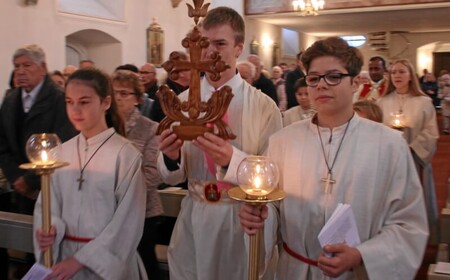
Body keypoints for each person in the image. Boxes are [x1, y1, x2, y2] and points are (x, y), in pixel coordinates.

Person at [239, 37, 428, 280]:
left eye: (333, 77)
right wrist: (259, 214)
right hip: (295, 270)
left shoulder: (389, 145)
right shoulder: (282, 141)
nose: (321, 85)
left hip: (356, 273)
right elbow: (272, 206)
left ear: (355, 83)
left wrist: (362, 255)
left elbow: (408, 225)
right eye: (314, 78)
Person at [157, 6, 282, 280]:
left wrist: (231, 160)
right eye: (205, 43)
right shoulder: (181, 103)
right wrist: (170, 156)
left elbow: (274, 175)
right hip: (195, 216)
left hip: (240, 218)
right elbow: (173, 175)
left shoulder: (263, 107)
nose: (210, 52)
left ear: (238, 48)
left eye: (220, 43)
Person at [34, 68, 147, 280]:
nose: (75, 110)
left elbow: (128, 222)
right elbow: (47, 207)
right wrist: (47, 231)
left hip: (106, 265)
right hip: (63, 260)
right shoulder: (59, 153)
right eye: (69, 101)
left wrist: (80, 260)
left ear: (105, 102)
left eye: (84, 102)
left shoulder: (125, 155)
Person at [0, 44, 76, 214]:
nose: (20, 71)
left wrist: (30, 181)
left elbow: (65, 144)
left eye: (27, 65)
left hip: (51, 188)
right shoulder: (10, 100)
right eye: (17, 66)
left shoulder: (60, 99)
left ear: (43, 68)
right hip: (19, 190)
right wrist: (16, 178)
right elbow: (2, 143)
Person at [377, 59, 439, 241]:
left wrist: (411, 148)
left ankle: (418, 235)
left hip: (415, 157)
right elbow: (378, 130)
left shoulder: (424, 102)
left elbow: (431, 132)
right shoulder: (382, 102)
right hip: (390, 160)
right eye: (393, 72)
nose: (397, 75)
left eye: (402, 72)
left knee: (415, 196)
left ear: (411, 75)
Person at [112, 69, 163, 279]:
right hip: (108, 211)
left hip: (142, 211)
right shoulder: (103, 127)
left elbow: (153, 173)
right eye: (114, 93)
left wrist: (117, 191)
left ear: (138, 99)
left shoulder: (151, 128)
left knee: (144, 265)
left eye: (124, 93)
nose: (118, 98)